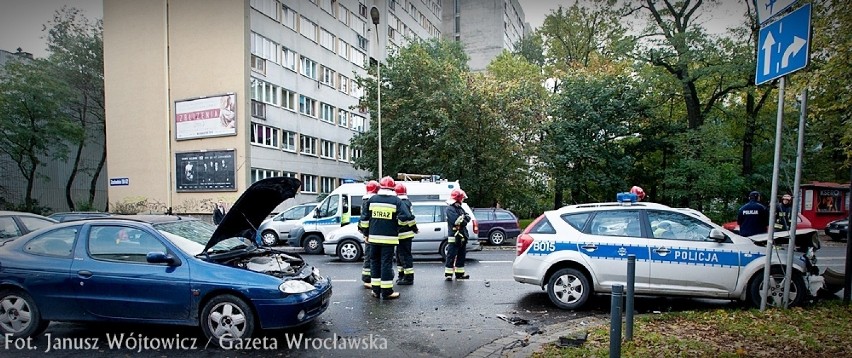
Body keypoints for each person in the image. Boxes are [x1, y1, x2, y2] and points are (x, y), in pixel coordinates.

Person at [358, 176, 414, 299]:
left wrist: (366, 234)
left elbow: (363, 220)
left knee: (374, 263)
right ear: (393, 188)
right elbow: (406, 216)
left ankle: (376, 291)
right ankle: (387, 291)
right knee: (386, 263)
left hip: (373, 239)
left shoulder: (372, 199)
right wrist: (397, 225)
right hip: (389, 239)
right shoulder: (396, 201)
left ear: (381, 187)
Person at [444, 188, 471, 281]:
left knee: (461, 255)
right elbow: (456, 221)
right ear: (458, 198)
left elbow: (467, 217)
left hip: (462, 236)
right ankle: (448, 274)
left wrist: (463, 219)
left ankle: (460, 274)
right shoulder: (450, 209)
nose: (463, 200)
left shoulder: (459, 208)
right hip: (454, 236)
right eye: (462, 198)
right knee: (451, 255)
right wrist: (463, 220)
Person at [395, 183, 418, 285]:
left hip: (402, 233)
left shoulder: (400, 203)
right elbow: (412, 219)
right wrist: (414, 228)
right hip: (406, 233)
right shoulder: (407, 202)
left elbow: (406, 218)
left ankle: (408, 278)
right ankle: (402, 275)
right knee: (400, 255)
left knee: (404, 256)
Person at [361, 180, 380, 287]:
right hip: (372, 233)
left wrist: (364, 232)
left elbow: (363, 220)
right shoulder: (371, 201)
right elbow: (367, 219)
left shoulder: (365, 200)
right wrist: (367, 234)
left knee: (369, 255)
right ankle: (368, 279)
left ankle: (367, 277)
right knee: (371, 256)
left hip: (369, 232)